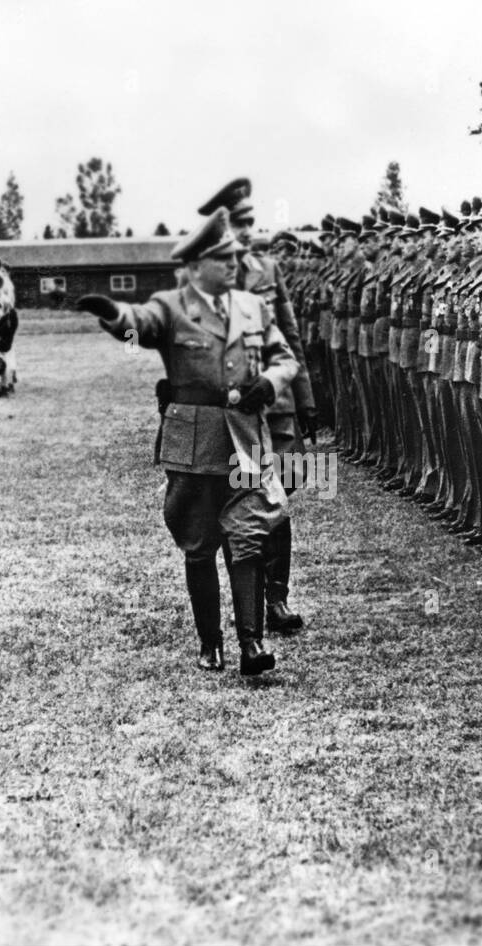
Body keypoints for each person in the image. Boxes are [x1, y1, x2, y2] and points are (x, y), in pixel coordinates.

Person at [77, 207, 299, 676]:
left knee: (249, 537)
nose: (234, 265)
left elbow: (285, 357)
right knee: (199, 543)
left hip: (246, 439)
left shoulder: (252, 307)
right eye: (223, 259)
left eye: (235, 257)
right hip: (195, 442)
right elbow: (139, 325)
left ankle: (251, 644)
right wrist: (114, 315)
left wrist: (271, 382)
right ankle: (209, 642)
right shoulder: (172, 306)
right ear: (196, 267)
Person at [198, 178, 316, 633]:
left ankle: (277, 598)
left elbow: (289, 335)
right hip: (231, 415)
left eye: (250, 222)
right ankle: (245, 605)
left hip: (278, 404)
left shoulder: (268, 269)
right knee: (238, 500)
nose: (247, 232)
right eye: (238, 224)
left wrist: (304, 397)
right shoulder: (204, 278)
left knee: (280, 498)